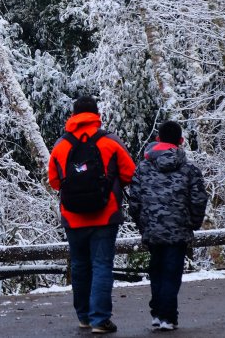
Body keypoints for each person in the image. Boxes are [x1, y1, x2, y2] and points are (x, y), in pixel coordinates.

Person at [48, 96, 136, 335]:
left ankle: (84, 317)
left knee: (79, 265)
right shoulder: (109, 141)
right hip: (105, 215)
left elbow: (55, 182)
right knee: (101, 265)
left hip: (73, 217)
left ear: (73, 116)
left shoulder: (61, 145)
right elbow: (130, 174)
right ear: (96, 114)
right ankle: (100, 319)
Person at [127, 120, 208, 332]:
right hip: (179, 227)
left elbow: (134, 200)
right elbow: (198, 199)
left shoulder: (143, 168)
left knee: (156, 269)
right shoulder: (189, 169)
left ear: (157, 140)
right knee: (172, 271)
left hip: (152, 228)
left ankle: (157, 312)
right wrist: (193, 223)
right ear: (181, 141)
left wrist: (142, 224)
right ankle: (167, 316)